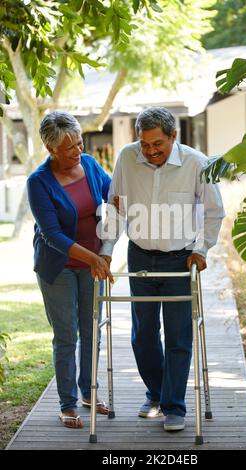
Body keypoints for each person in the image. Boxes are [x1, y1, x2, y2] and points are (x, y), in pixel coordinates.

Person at [100, 107, 225, 432]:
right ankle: (156, 393)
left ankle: (174, 406)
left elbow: (214, 212)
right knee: (142, 337)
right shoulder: (127, 158)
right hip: (140, 255)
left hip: (179, 259)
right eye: (145, 144)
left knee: (179, 336)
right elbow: (117, 208)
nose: (151, 151)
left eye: (158, 144)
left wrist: (201, 249)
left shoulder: (197, 163)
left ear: (174, 137)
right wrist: (106, 251)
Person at [27, 111, 113, 429]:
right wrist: (94, 259)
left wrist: (107, 249)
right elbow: (53, 235)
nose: (77, 152)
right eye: (69, 149)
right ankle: (67, 404)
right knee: (66, 336)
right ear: (51, 150)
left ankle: (89, 393)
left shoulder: (89, 164)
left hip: (94, 263)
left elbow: (109, 196)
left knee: (92, 331)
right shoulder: (38, 183)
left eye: (78, 144)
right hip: (59, 266)